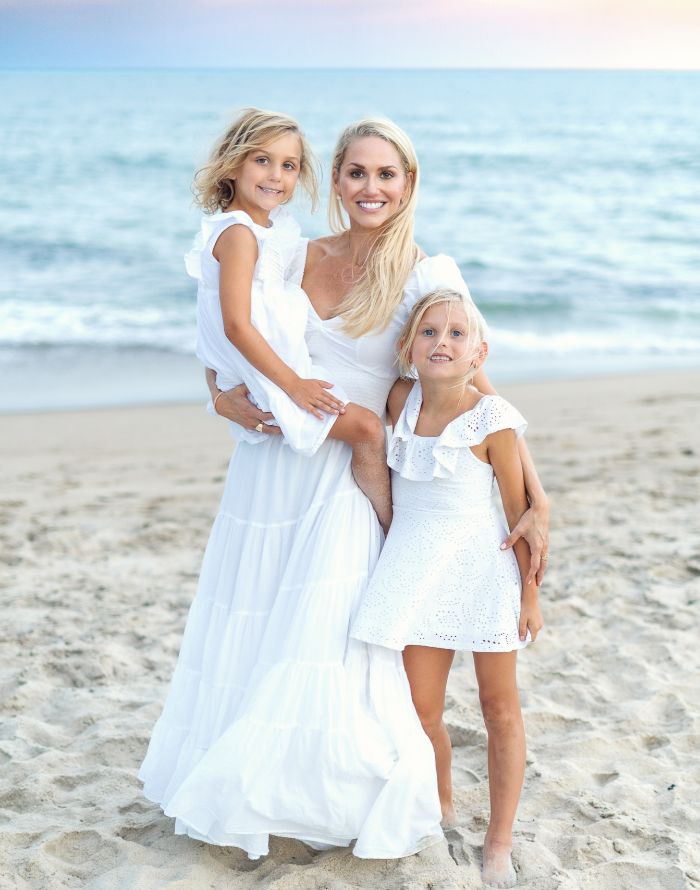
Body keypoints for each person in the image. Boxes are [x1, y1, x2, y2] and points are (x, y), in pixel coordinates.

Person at [138, 117, 550, 862]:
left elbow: (475, 388)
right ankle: (251, 786)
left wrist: (536, 492)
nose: (370, 188)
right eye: (356, 173)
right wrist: (215, 391)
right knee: (262, 619)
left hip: (354, 472)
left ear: (408, 184)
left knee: (332, 640)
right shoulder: (292, 252)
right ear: (335, 180)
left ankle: (334, 798)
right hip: (275, 461)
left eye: (386, 174)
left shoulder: (424, 274)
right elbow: (235, 322)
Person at [351, 288, 545, 887]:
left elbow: (519, 518)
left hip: (485, 575)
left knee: (498, 709)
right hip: (415, 573)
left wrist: (530, 595)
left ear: (478, 353)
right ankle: (442, 809)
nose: (443, 343)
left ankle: (499, 841)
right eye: (430, 332)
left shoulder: (494, 421)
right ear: (409, 348)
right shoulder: (399, 400)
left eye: (458, 335)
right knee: (421, 711)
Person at [188, 107, 391, 531]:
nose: (275, 176)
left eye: (289, 165)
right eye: (262, 160)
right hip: (273, 379)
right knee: (368, 429)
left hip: (271, 372)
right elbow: (234, 325)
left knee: (364, 428)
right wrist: (293, 385)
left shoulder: (272, 230)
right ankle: (391, 528)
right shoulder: (240, 234)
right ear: (233, 162)